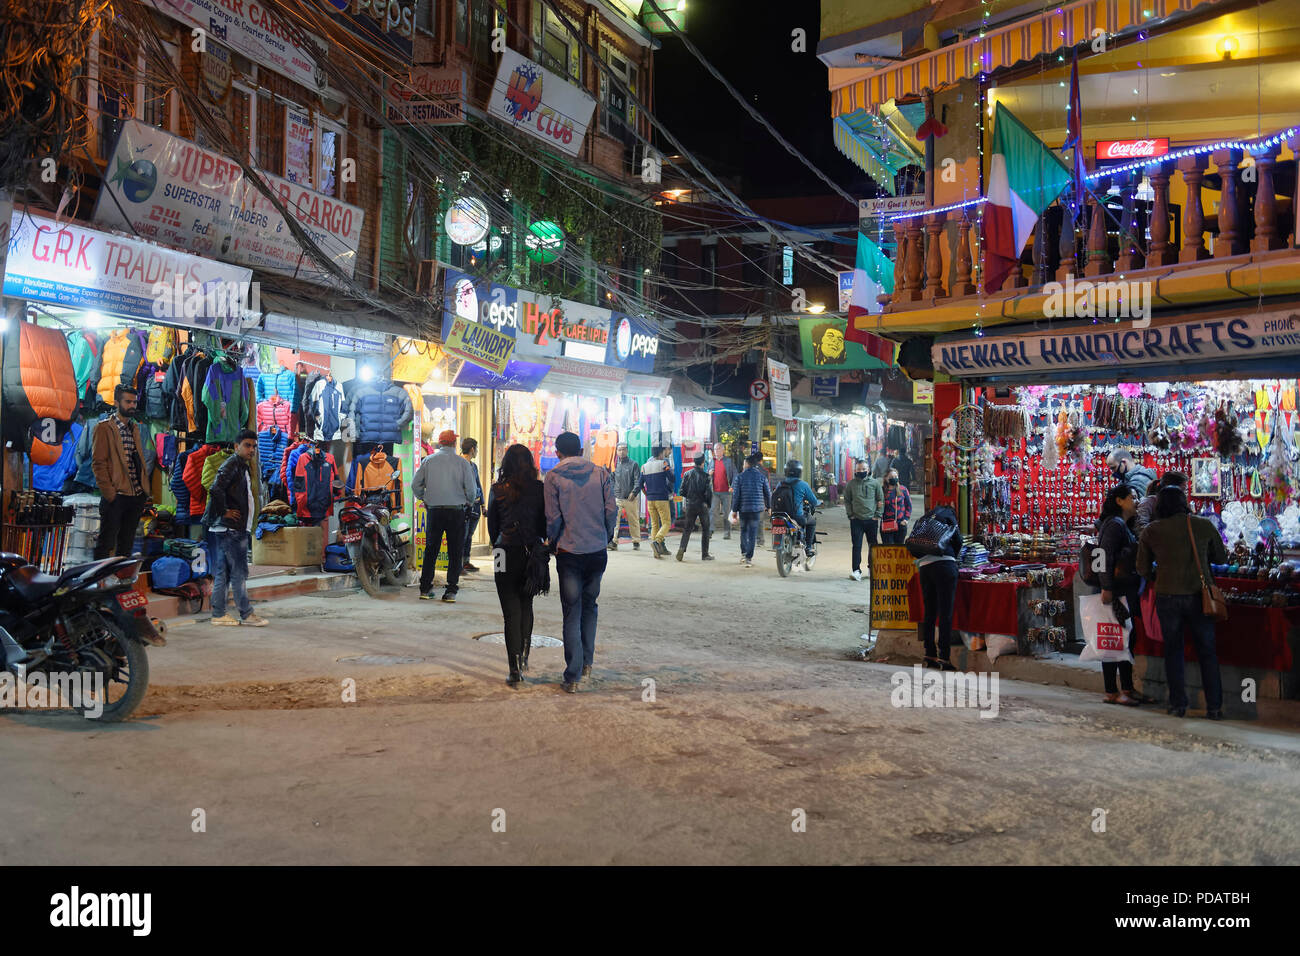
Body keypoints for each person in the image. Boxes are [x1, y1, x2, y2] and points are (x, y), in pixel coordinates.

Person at [1136, 485, 1229, 719]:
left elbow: (1142, 568)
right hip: (1200, 595)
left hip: (1167, 595)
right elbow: (1221, 557)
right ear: (1184, 502)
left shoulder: (1151, 531)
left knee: (1173, 651)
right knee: (1207, 651)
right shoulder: (1202, 524)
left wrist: (1159, 576)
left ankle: (1178, 705)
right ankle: (1214, 707)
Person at [545, 432, 617, 693]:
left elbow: (552, 518)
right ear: (582, 450)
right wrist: (606, 535)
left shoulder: (553, 477)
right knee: (590, 606)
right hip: (597, 551)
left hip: (569, 552)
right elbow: (611, 510)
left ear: (558, 452)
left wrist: (551, 541)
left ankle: (572, 676)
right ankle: (587, 663)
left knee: (571, 611)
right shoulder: (600, 474)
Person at [486, 444, 546, 687]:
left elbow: (492, 527)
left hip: (502, 551)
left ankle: (514, 669)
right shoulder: (539, 489)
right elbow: (544, 525)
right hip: (531, 552)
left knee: (509, 611)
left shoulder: (497, 489)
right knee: (526, 604)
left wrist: (498, 543)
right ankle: (524, 658)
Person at [203, 429, 267, 627]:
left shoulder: (241, 466)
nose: (252, 450)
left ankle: (219, 614)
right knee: (239, 572)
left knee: (225, 572)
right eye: (247, 445)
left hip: (230, 528)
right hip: (231, 528)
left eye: (254, 446)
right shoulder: (232, 464)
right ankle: (246, 614)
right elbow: (215, 488)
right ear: (236, 446)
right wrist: (224, 512)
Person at [412, 429, 478, 602]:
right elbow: (472, 491)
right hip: (456, 511)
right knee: (455, 552)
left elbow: (415, 485)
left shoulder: (428, 461)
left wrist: (424, 498)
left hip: (434, 511)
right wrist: (469, 501)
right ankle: (450, 591)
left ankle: (425, 589)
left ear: (440, 443)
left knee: (431, 550)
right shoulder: (462, 463)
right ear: (454, 443)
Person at [1094, 484, 1142, 706]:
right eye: (1132, 497)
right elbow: (1102, 555)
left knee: (1124, 638)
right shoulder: (1114, 525)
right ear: (1120, 501)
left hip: (1122, 590)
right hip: (1116, 592)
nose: (1136, 501)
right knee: (1115, 639)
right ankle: (1112, 691)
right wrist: (1107, 588)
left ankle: (1127, 688)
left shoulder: (1122, 524)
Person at [91, 385, 150, 559]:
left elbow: (137, 461)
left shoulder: (134, 428)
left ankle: (119, 583)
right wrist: (110, 493)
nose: (132, 405)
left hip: (135, 495)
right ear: (117, 402)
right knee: (106, 543)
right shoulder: (104, 428)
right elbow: (98, 463)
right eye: (128, 402)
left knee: (126, 544)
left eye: (134, 402)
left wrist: (143, 492)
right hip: (116, 495)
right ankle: (100, 583)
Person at [915, 504, 962, 669]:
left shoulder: (926, 518)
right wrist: (954, 557)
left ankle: (929, 654)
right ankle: (944, 658)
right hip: (945, 567)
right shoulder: (949, 516)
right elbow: (958, 540)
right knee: (945, 614)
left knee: (929, 613)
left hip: (924, 568)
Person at [843, 458, 884, 581]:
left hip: (871, 520)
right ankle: (856, 570)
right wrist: (850, 514)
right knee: (857, 546)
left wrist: (878, 515)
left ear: (868, 470)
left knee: (873, 545)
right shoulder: (851, 484)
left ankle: (872, 568)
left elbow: (880, 499)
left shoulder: (875, 483)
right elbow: (847, 500)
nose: (861, 471)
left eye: (864, 469)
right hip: (856, 520)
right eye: (859, 469)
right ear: (855, 470)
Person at [729, 451, 770, 567]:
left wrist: (734, 511)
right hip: (757, 510)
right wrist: (769, 507)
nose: (742, 466)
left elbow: (736, 496)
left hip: (744, 509)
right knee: (752, 532)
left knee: (744, 531)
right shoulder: (762, 476)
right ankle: (749, 558)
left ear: (747, 464)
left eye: (743, 463)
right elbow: (768, 493)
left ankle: (743, 553)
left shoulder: (740, 477)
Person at [774, 459, 819, 560]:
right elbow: (814, 501)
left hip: (780, 515)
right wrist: (818, 502)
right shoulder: (803, 484)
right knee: (812, 521)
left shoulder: (780, 484)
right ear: (799, 472)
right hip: (797, 516)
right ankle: (808, 547)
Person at [635, 445, 676, 558]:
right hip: (662, 498)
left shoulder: (644, 466)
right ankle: (657, 541)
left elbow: (640, 484)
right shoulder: (663, 464)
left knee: (654, 525)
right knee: (667, 522)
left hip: (650, 499)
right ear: (661, 453)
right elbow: (672, 478)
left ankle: (656, 551)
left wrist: (646, 494)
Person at [677, 454, 714, 561]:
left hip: (690, 505)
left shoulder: (687, 474)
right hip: (702, 506)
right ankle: (705, 554)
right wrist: (708, 504)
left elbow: (682, 491)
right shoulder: (706, 476)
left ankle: (682, 548)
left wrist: (689, 498)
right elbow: (709, 493)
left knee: (687, 529)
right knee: (706, 529)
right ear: (703, 462)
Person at [609, 442, 641, 551]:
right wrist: (613, 491)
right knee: (614, 521)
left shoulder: (634, 464)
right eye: (619, 450)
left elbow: (638, 480)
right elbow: (611, 479)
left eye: (623, 449)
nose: (621, 452)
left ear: (627, 451)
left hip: (630, 497)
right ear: (617, 451)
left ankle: (636, 541)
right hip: (617, 497)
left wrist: (634, 492)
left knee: (633, 520)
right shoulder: (615, 465)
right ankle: (613, 542)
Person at [1134, 470, 1185, 535]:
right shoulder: (1149, 502)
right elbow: (1141, 528)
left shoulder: (1176, 505)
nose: (1183, 494)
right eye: (1183, 489)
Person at [460, 437, 483, 574]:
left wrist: (483, 504)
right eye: (477, 449)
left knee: (469, 535)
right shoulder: (460, 464)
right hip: (465, 505)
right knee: (462, 535)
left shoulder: (473, 466)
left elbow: (478, 484)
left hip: (475, 504)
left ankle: (466, 561)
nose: (477, 452)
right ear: (472, 449)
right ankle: (459, 564)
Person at [710, 442, 737, 541]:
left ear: (723, 450)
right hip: (715, 491)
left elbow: (735, 475)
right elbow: (707, 476)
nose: (716, 451)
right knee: (712, 511)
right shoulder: (711, 461)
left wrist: (733, 486)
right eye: (715, 449)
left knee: (726, 513)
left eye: (718, 449)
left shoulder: (729, 461)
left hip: (726, 491)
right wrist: (709, 474)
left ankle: (727, 532)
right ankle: (710, 530)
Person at [880, 468, 912, 544]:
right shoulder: (881, 490)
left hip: (901, 524)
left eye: (896, 476)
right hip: (886, 524)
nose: (894, 478)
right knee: (888, 550)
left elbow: (909, 505)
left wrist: (906, 519)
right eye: (891, 477)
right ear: (886, 478)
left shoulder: (903, 489)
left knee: (899, 550)